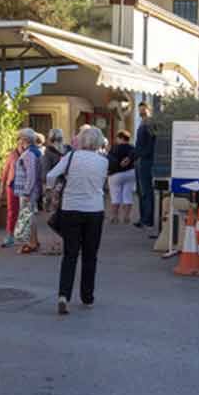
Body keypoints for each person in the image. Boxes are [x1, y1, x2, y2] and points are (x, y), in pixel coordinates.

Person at [47, 126, 109, 315]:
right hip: (94, 209)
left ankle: (63, 295)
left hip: (70, 208)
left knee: (70, 254)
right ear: (98, 142)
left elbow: (50, 176)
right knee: (90, 255)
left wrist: (54, 191)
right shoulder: (103, 161)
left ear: (81, 140)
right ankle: (87, 296)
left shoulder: (71, 157)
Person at [11, 129, 42, 254]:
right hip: (31, 190)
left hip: (28, 190)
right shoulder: (35, 152)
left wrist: (27, 191)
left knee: (27, 216)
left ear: (24, 139)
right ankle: (34, 241)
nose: (19, 141)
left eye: (20, 138)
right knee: (30, 215)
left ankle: (31, 243)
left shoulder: (29, 154)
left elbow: (31, 174)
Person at [134, 102, 157, 231]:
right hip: (140, 160)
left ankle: (148, 220)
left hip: (146, 161)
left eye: (144, 110)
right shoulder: (142, 123)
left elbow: (151, 144)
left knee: (146, 191)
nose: (141, 112)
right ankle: (143, 219)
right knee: (141, 191)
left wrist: (142, 155)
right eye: (140, 110)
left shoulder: (150, 124)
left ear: (149, 110)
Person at [106, 130, 138, 225]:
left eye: (117, 138)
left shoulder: (114, 148)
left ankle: (114, 217)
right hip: (130, 173)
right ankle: (126, 217)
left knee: (115, 196)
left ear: (120, 138)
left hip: (116, 174)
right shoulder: (132, 148)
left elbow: (110, 161)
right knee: (127, 196)